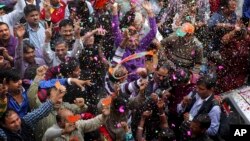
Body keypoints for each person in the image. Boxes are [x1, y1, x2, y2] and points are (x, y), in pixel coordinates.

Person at [0, 80, 65, 141]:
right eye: (12, 122)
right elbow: (32, 97)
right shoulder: (4, 135)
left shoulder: (25, 121)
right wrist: (38, 78)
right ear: (3, 125)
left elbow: (41, 112)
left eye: (17, 119)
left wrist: (71, 120)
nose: (17, 124)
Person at [111, 1, 157, 82]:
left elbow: (153, 32)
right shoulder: (122, 47)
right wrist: (115, 11)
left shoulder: (141, 46)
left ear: (138, 37)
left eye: (135, 40)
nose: (133, 43)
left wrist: (150, 12)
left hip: (141, 83)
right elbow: (115, 29)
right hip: (125, 83)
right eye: (130, 41)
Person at [42, 105, 109, 141]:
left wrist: (104, 116)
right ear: (60, 123)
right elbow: (47, 135)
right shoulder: (53, 132)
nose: (73, 122)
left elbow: (93, 122)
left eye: (73, 118)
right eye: (69, 119)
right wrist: (64, 131)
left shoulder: (77, 125)